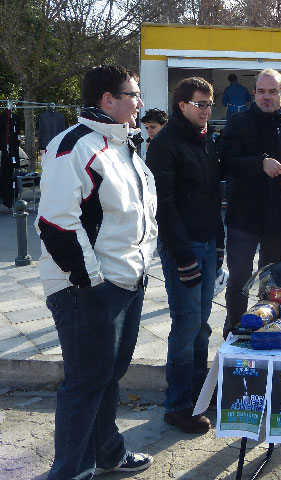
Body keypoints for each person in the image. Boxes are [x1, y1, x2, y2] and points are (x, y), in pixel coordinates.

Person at [36, 65, 157, 479]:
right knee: (86, 381)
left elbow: (135, 215)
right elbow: (55, 222)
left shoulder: (125, 145)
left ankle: (107, 453)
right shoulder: (74, 146)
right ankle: (69, 471)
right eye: (133, 94)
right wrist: (92, 283)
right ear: (108, 99)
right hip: (85, 288)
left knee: (108, 375)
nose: (140, 102)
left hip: (126, 281)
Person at [146, 77, 223, 434]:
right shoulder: (165, 144)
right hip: (184, 247)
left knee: (202, 325)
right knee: (186, 325)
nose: (207, 111)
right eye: (200, 105)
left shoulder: (206, 141)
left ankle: (198, 393)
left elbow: (212, 198)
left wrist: (218, 246)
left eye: (210, 105)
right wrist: (182, 256)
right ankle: (177, 404)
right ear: (182, 105)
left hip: (207, 242)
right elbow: (165, 206)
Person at [220, 68, 281, 339]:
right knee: (239, 281)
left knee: (273, 283)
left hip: (279, 219)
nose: (266, 97)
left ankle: (268, 331)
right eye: (261, 91)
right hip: (243, 218)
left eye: (272, 92)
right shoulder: (238, 123)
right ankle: (235, 333)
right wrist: (259, 163)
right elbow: (225, 162)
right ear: (254, 94)